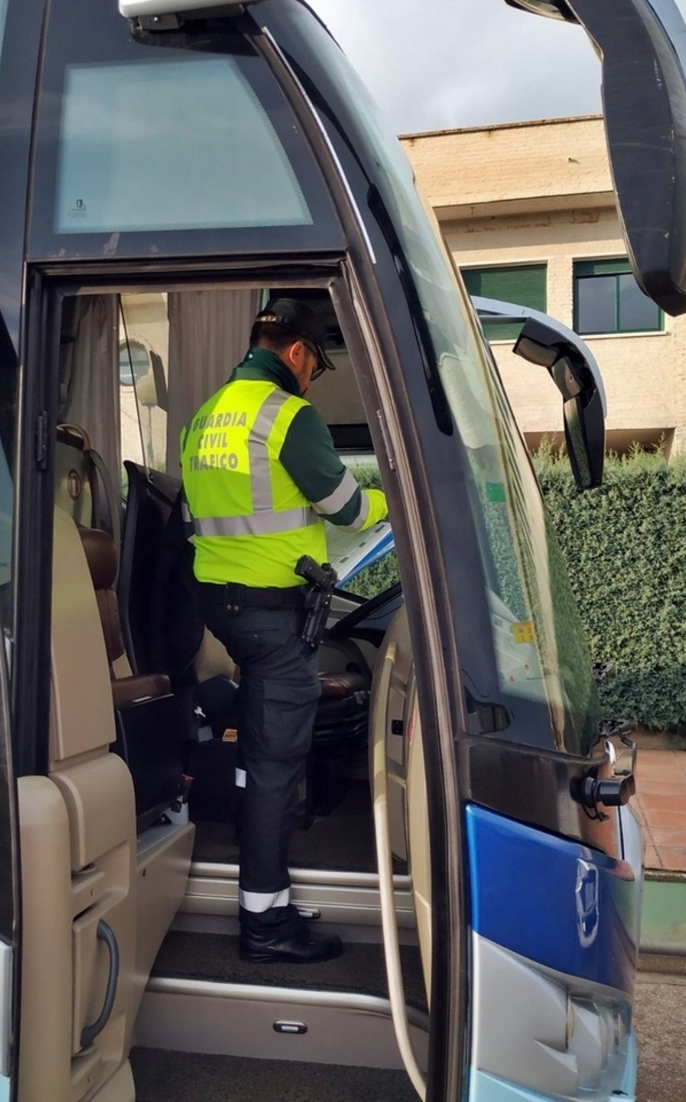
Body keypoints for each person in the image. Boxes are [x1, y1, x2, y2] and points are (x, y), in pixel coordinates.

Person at [180, 296, 389, 964]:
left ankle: (263, 889)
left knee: (258, 755)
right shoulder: (286, 416)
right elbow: (350, 509)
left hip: (224, 608)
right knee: (276, 767)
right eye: (317, 365)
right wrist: (402, 498)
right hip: (272, 619)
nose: (312, 378)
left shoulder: (204, 416)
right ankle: (264, 924)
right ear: (298, 352)